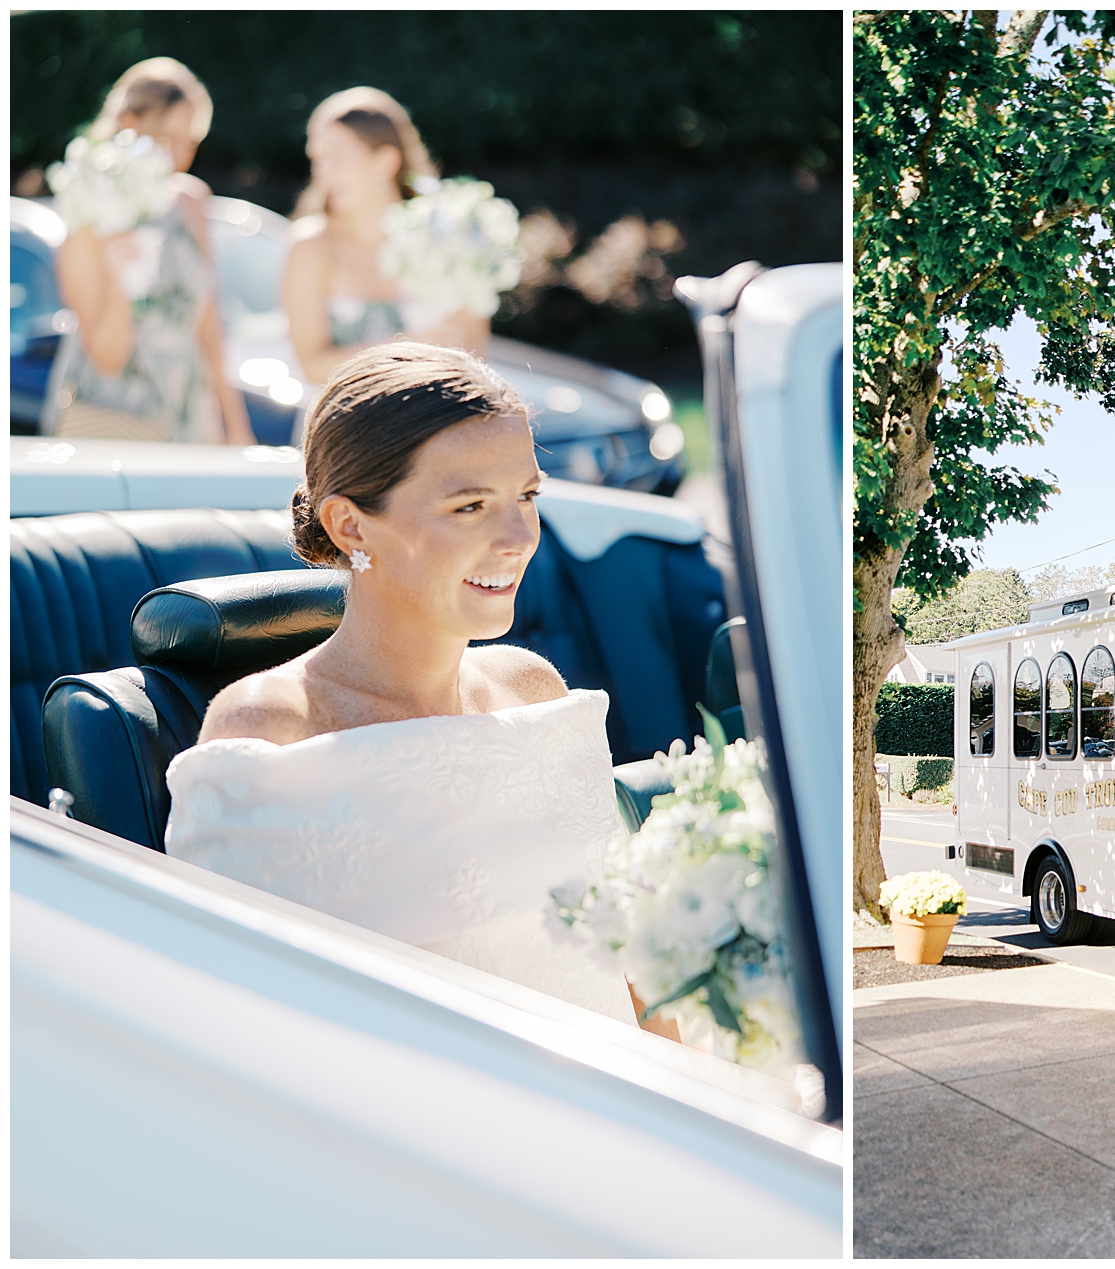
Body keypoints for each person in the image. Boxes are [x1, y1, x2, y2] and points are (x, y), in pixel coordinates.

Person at [163, 343, 666, 1035]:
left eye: (527, 495)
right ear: (349, 523)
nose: (519, 535)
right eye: (469, 506)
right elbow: (234, 1025)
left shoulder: (535, 690)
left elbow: (628, 962)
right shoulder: (270, 729)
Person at [50, 57, 255, 445]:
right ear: (129, 122)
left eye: (190, 142)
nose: (178, 156)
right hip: (112, 415)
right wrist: (118, 278)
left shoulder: (192, 202)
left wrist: (234, 423)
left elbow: (208, 321)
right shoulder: (89, 208)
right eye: (167, 139)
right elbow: (108, 357)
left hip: (189, 414)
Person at [284, 88, 489, 396]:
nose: (322, 174)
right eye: (317, 159)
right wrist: (411, 349)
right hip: (347, 432)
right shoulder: (310, 246)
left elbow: (475, 348)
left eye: (336, 158)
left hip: (436, 425)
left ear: (385, 161)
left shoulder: (448, 236)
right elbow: (312, 366)